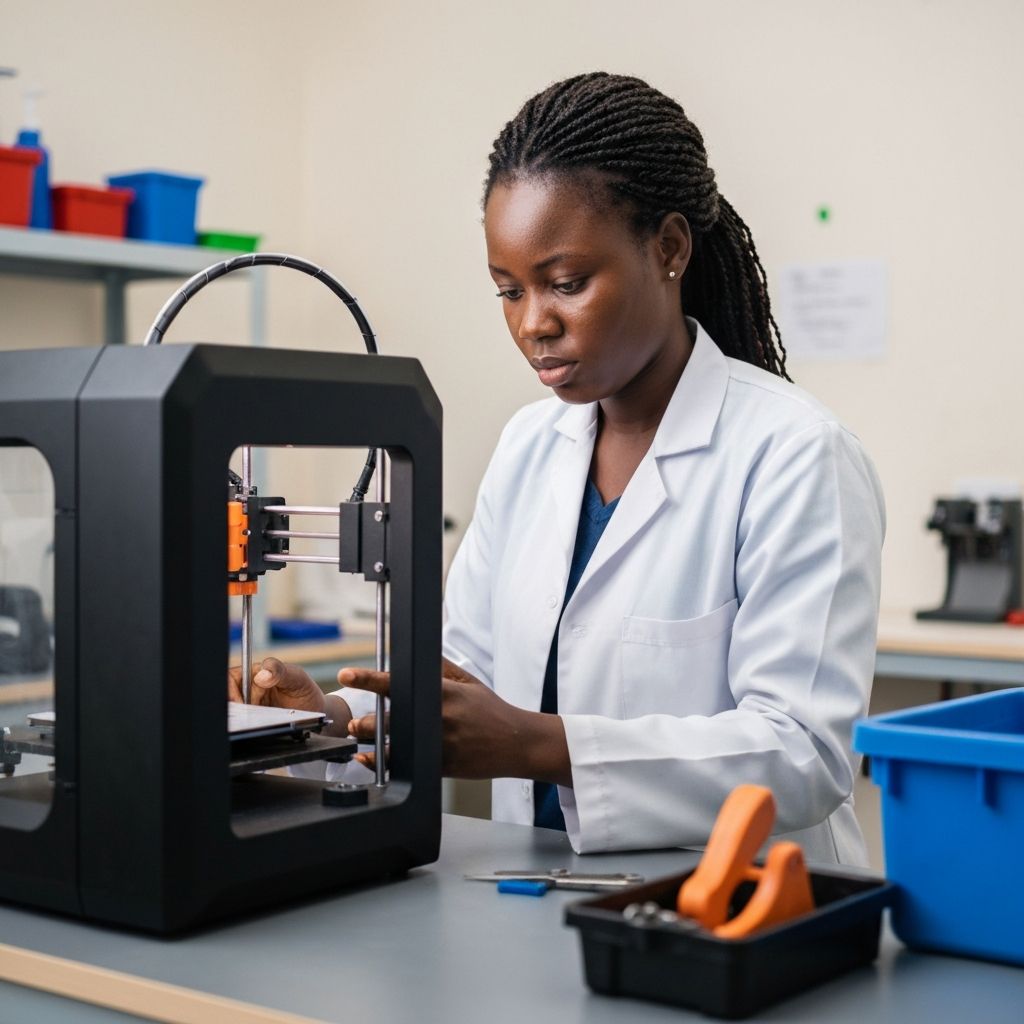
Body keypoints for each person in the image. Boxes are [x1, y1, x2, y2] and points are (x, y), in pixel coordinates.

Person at [229, 72, 884, 865]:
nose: (534, 323)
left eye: (566, 284)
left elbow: (804, 756)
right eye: (509, 291)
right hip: (542, 892)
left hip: (740, 911)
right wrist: (329, 717)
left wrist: (544, 747)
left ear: (669, 248)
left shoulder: (795, 454)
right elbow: (466, 672)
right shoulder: (530, 446)